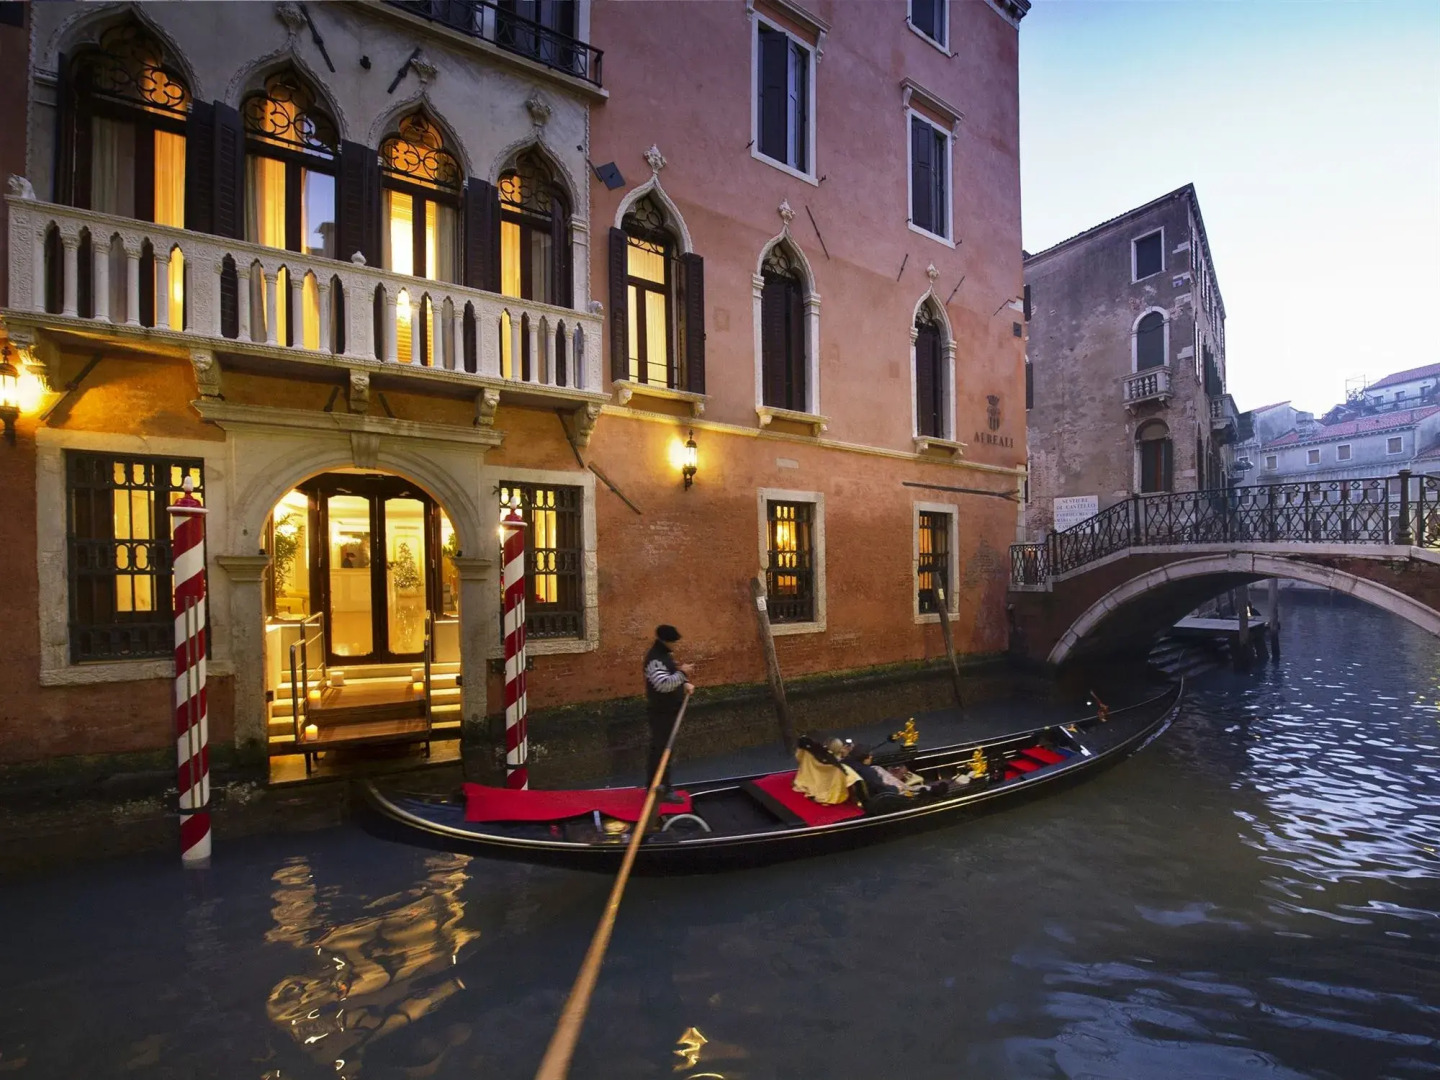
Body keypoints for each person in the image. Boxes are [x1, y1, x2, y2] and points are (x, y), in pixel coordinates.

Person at [643, 624, 694, 796]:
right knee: (661, 751)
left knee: (665, 750)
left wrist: (684, 683)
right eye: (674, 642)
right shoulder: (655, 659)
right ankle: (660, 788)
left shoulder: (664, 655)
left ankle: (662, 786)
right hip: (661, 712)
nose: (676, 645)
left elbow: (669, 676)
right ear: (667, 641)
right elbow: (663, 684)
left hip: (668, 710)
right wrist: (683, 674)